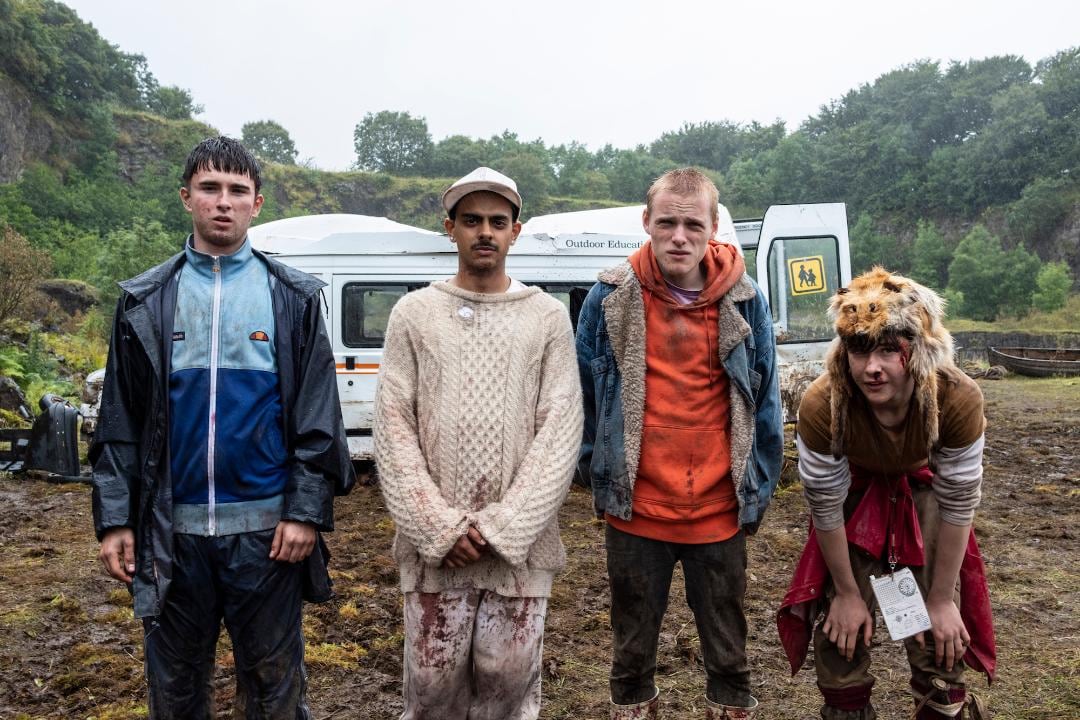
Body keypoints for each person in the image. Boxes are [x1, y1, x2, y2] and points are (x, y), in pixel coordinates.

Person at [91, 136, 355, 718]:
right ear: (186, 197)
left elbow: (319, 420)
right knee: (177, 691)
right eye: (210, 188)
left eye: (237, 191)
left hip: (267, 539)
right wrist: (115, 519)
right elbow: (119, 421)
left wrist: (304, 510)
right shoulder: (145, 299)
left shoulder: (293, 297)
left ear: (257, 204)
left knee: (274, 690)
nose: (223, 202)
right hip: (171, 534)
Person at [373, 167, 583, 720]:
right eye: (471, 221)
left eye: (497, 221)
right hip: (434, 555)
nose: (484, 232)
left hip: (518, 553)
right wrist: (439, 528)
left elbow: (560, 430)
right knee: (433, 690)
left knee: (508, 688)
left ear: (517, 230)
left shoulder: (546, 319)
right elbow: (393, 429)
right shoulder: (414, 316)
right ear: (450, 228)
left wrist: (501, 529)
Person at [575, 168, 783, 720]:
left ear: (713, 227)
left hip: (719, 509)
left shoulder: (745, 301)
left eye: (693, 224)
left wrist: (757, 492)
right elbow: (585, 396)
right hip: (635, 511)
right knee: (630, 652)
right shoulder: (609, 297)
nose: (679, 237)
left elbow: (765, 402)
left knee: (730, 654)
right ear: (646, 222)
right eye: (666, 222)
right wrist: (595, 473)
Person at [777, 267, 995, 719]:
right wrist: (847, 593)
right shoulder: (822, 403)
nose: (872, 368)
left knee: (941, 638)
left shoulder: (956, 397)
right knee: (840, 633)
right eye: (859, 351)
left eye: (887, 351)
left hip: (926, 495)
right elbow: (825, 502)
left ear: (916, 352)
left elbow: (958, 500)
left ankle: (940, 703)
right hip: (853, 501)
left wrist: (938, 599)